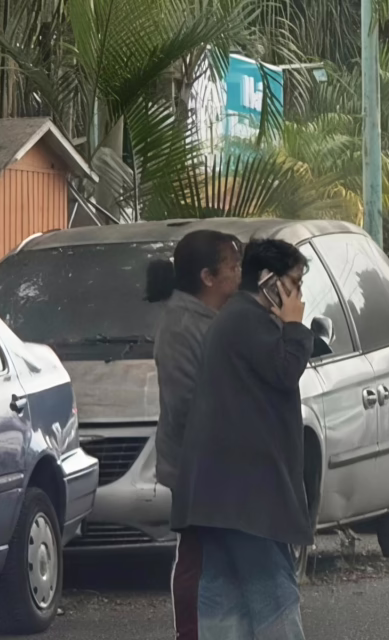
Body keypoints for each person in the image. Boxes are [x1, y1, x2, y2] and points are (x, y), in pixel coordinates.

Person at [169, 239, 314, 640]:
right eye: (294, 284)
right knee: (274, 601)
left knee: (226, 609)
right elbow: (286, 371)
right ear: (270, 283)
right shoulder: (249, 320)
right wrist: (296, 326)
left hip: (223, 498)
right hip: (248, 500)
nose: (299, 295)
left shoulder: (234, 319)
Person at [145, 230, 243, 640]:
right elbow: (187, 405)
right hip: (199, 464)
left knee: (220, 560)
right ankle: (192, 632)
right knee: (199, 558)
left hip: (221, 463)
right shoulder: (184, 325)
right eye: (233, 267)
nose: (240, 275)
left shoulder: (218, 317)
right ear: (207, 276)